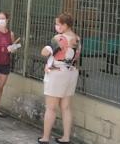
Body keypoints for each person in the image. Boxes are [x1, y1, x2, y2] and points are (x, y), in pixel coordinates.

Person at [38, 12, 81, 144]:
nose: (56, 26)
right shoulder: (77, 39)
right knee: (66, 107)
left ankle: (45, 137)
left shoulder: (59, 38)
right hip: (71, 72)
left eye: (58, 24)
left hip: (57, 73)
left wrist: (46, 48)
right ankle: (66, 137)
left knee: (51, 107)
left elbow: (45, 52)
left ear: (65, 25)